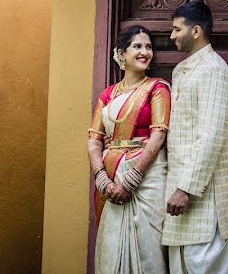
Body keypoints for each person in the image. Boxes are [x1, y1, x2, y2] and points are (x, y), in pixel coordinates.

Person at [87, 25, 171, 274]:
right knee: (112, 250)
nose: (145, 52)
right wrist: (102, 179)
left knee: (149, 252)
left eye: (148, 46)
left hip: (148, 179)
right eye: (137, 46)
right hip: (110, 179)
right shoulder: (108, 95)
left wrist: (131, 180)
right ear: (121, 54)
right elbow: (94, 139)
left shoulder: (157, 88)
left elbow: (158, 136)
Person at [163, 1, 228, 274]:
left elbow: (212, 135)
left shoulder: (214, 69)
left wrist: (186, 188)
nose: (171, 36)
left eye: (176, 29)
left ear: (195, 31)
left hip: (202, 198)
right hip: (178, 197)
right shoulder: (182, 71)